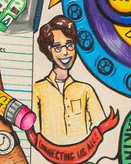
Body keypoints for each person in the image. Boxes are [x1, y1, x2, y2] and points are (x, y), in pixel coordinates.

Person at [31, 17, 105, 146]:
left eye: (70, 45)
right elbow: (33, 129)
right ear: (49, 49)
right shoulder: (37, 90)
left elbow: (101, 127)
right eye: (58, 47)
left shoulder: (85, 90)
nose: (65, 53)